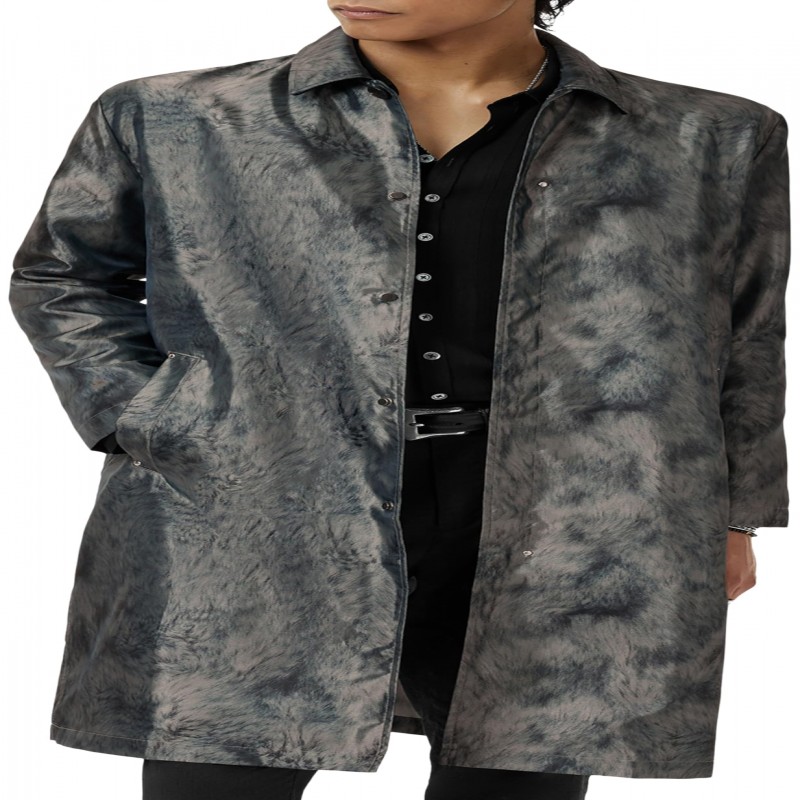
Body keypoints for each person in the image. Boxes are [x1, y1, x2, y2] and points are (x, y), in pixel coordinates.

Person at [8, 2, 789, 799]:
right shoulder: (177, 115)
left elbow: (745, 333)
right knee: (215, 772)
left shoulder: (711, 136)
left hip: (568, 521)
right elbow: (62, 275)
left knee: (516, 778)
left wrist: (734, 514)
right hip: (256, 505)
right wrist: (157, 417)